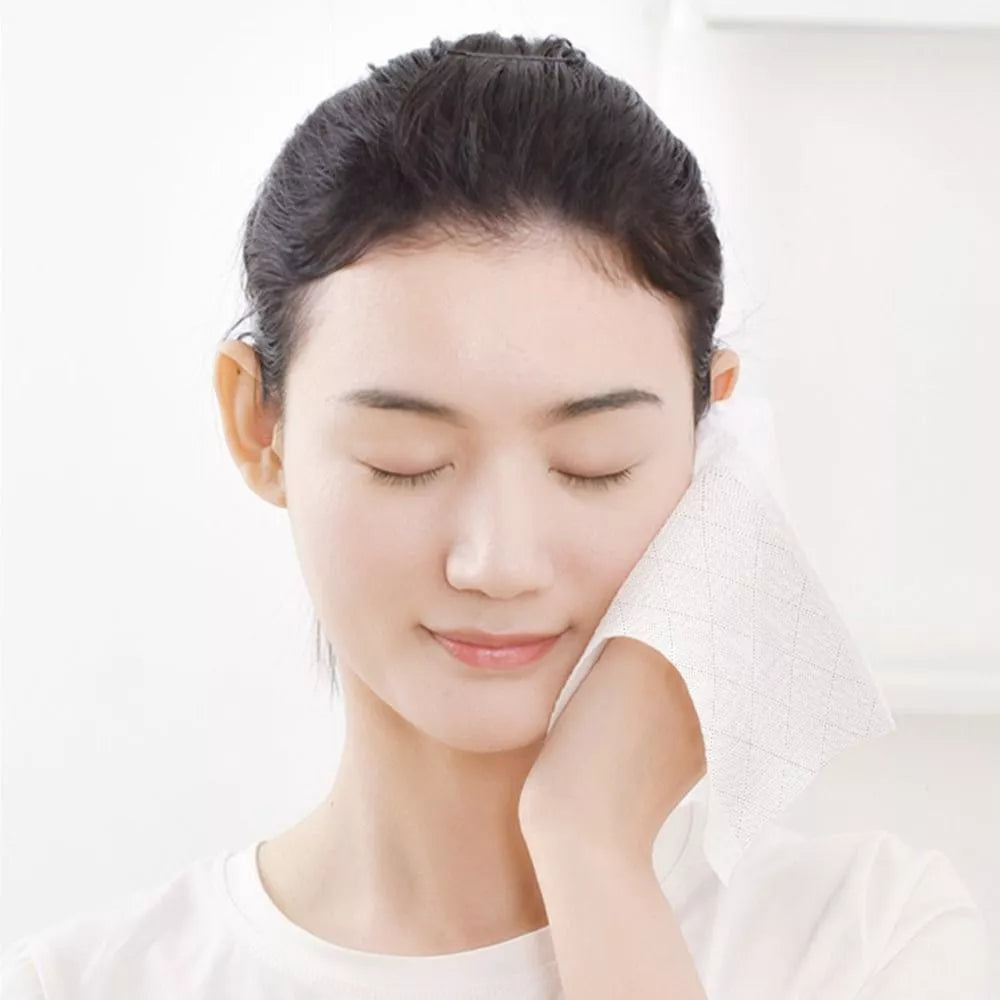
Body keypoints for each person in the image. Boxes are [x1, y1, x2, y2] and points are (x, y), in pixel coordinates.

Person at [2, 30, 990, 1000]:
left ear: (705, 438)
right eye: (407, 460)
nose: (498, 560)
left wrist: (592, 851)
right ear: (261, 424)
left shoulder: (867, 943)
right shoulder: (85, 982)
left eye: (590, 465)